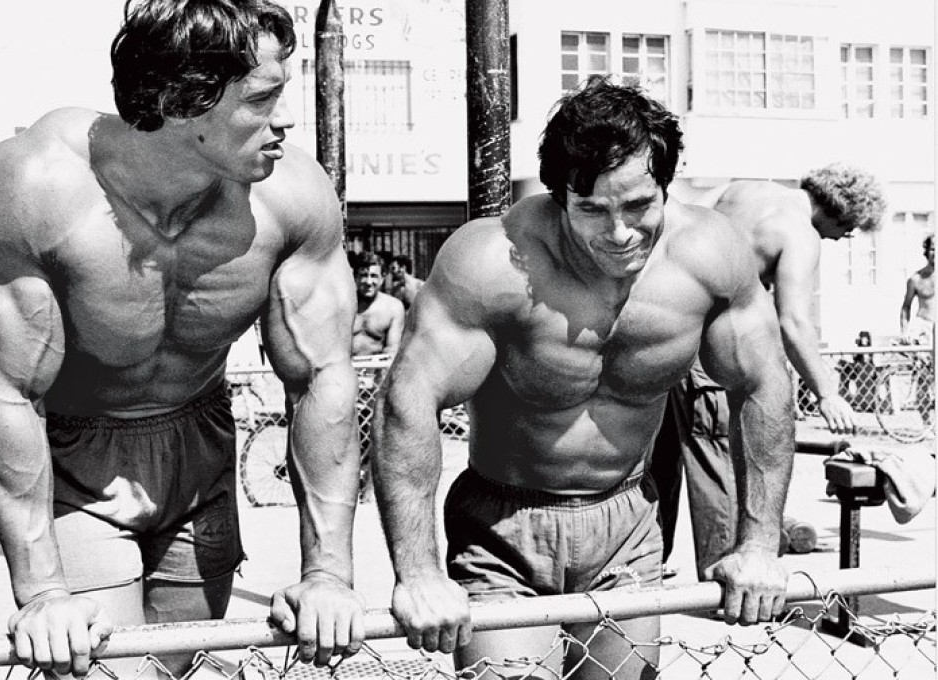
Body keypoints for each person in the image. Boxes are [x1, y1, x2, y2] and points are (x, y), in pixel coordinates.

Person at [0, 2, 364, 677]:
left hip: (200, 451)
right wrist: (42, 592)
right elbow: (6, 391)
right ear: (182, 99)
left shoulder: (292, 196)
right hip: (75, 463)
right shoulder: (30, 188)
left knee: (175, 669)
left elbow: (322, 378)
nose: (286, 119)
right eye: (263, 97)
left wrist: (328, 574)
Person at [372, 75, 794, 680]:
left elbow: (763, 384)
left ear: (666, 186)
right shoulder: (493, 262)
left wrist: (758, 544)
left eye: (639, 206)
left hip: (629, 525)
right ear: (557, 196)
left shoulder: (710, 254)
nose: (620, 232)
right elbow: (408, 400)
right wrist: (418, 572)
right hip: (505, 530)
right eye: (591, 209)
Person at [652, 162, 887, 576]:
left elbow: (677, 228)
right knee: (720, 455)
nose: (844, 238)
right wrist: (826, 392)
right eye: (848, 230)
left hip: (665, 330)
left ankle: (647, 566)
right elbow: (793, 322)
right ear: (841, 212)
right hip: (712, 344)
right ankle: (728, 578)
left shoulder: (740, 187)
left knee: (661, 457)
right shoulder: (800, 232)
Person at [352, 251, 405, 357]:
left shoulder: (393, 308)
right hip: (346, 369)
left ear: (382, 278)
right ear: (355, 277)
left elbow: (392, 350)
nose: (368, 281)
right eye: (363, 275)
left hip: (378, 369)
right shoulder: (344, 306)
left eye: (374, 276)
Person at [899, 234, 934, 346]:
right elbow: (906, 306)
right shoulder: (916, 279)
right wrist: (904, 331)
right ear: (927, 251)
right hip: (924, 328)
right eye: (933, 249)